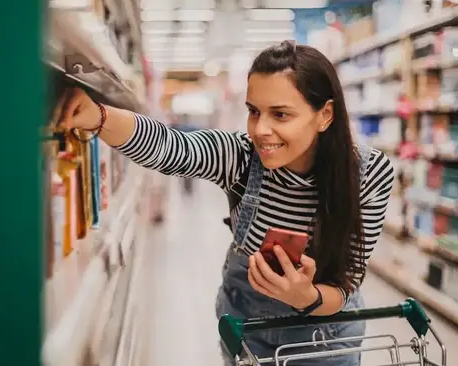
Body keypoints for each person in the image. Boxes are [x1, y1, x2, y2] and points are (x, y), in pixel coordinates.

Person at [58, 41, 394, 365]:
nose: (260, 130)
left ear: (325, 115)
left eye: (280, 115)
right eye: (253, 111)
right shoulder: (241, 157)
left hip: (326, 337)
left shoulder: (368, 173)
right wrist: (97, 115)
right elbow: (169, 146)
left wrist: (307, 298)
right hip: (249, 328)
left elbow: (347, 281)